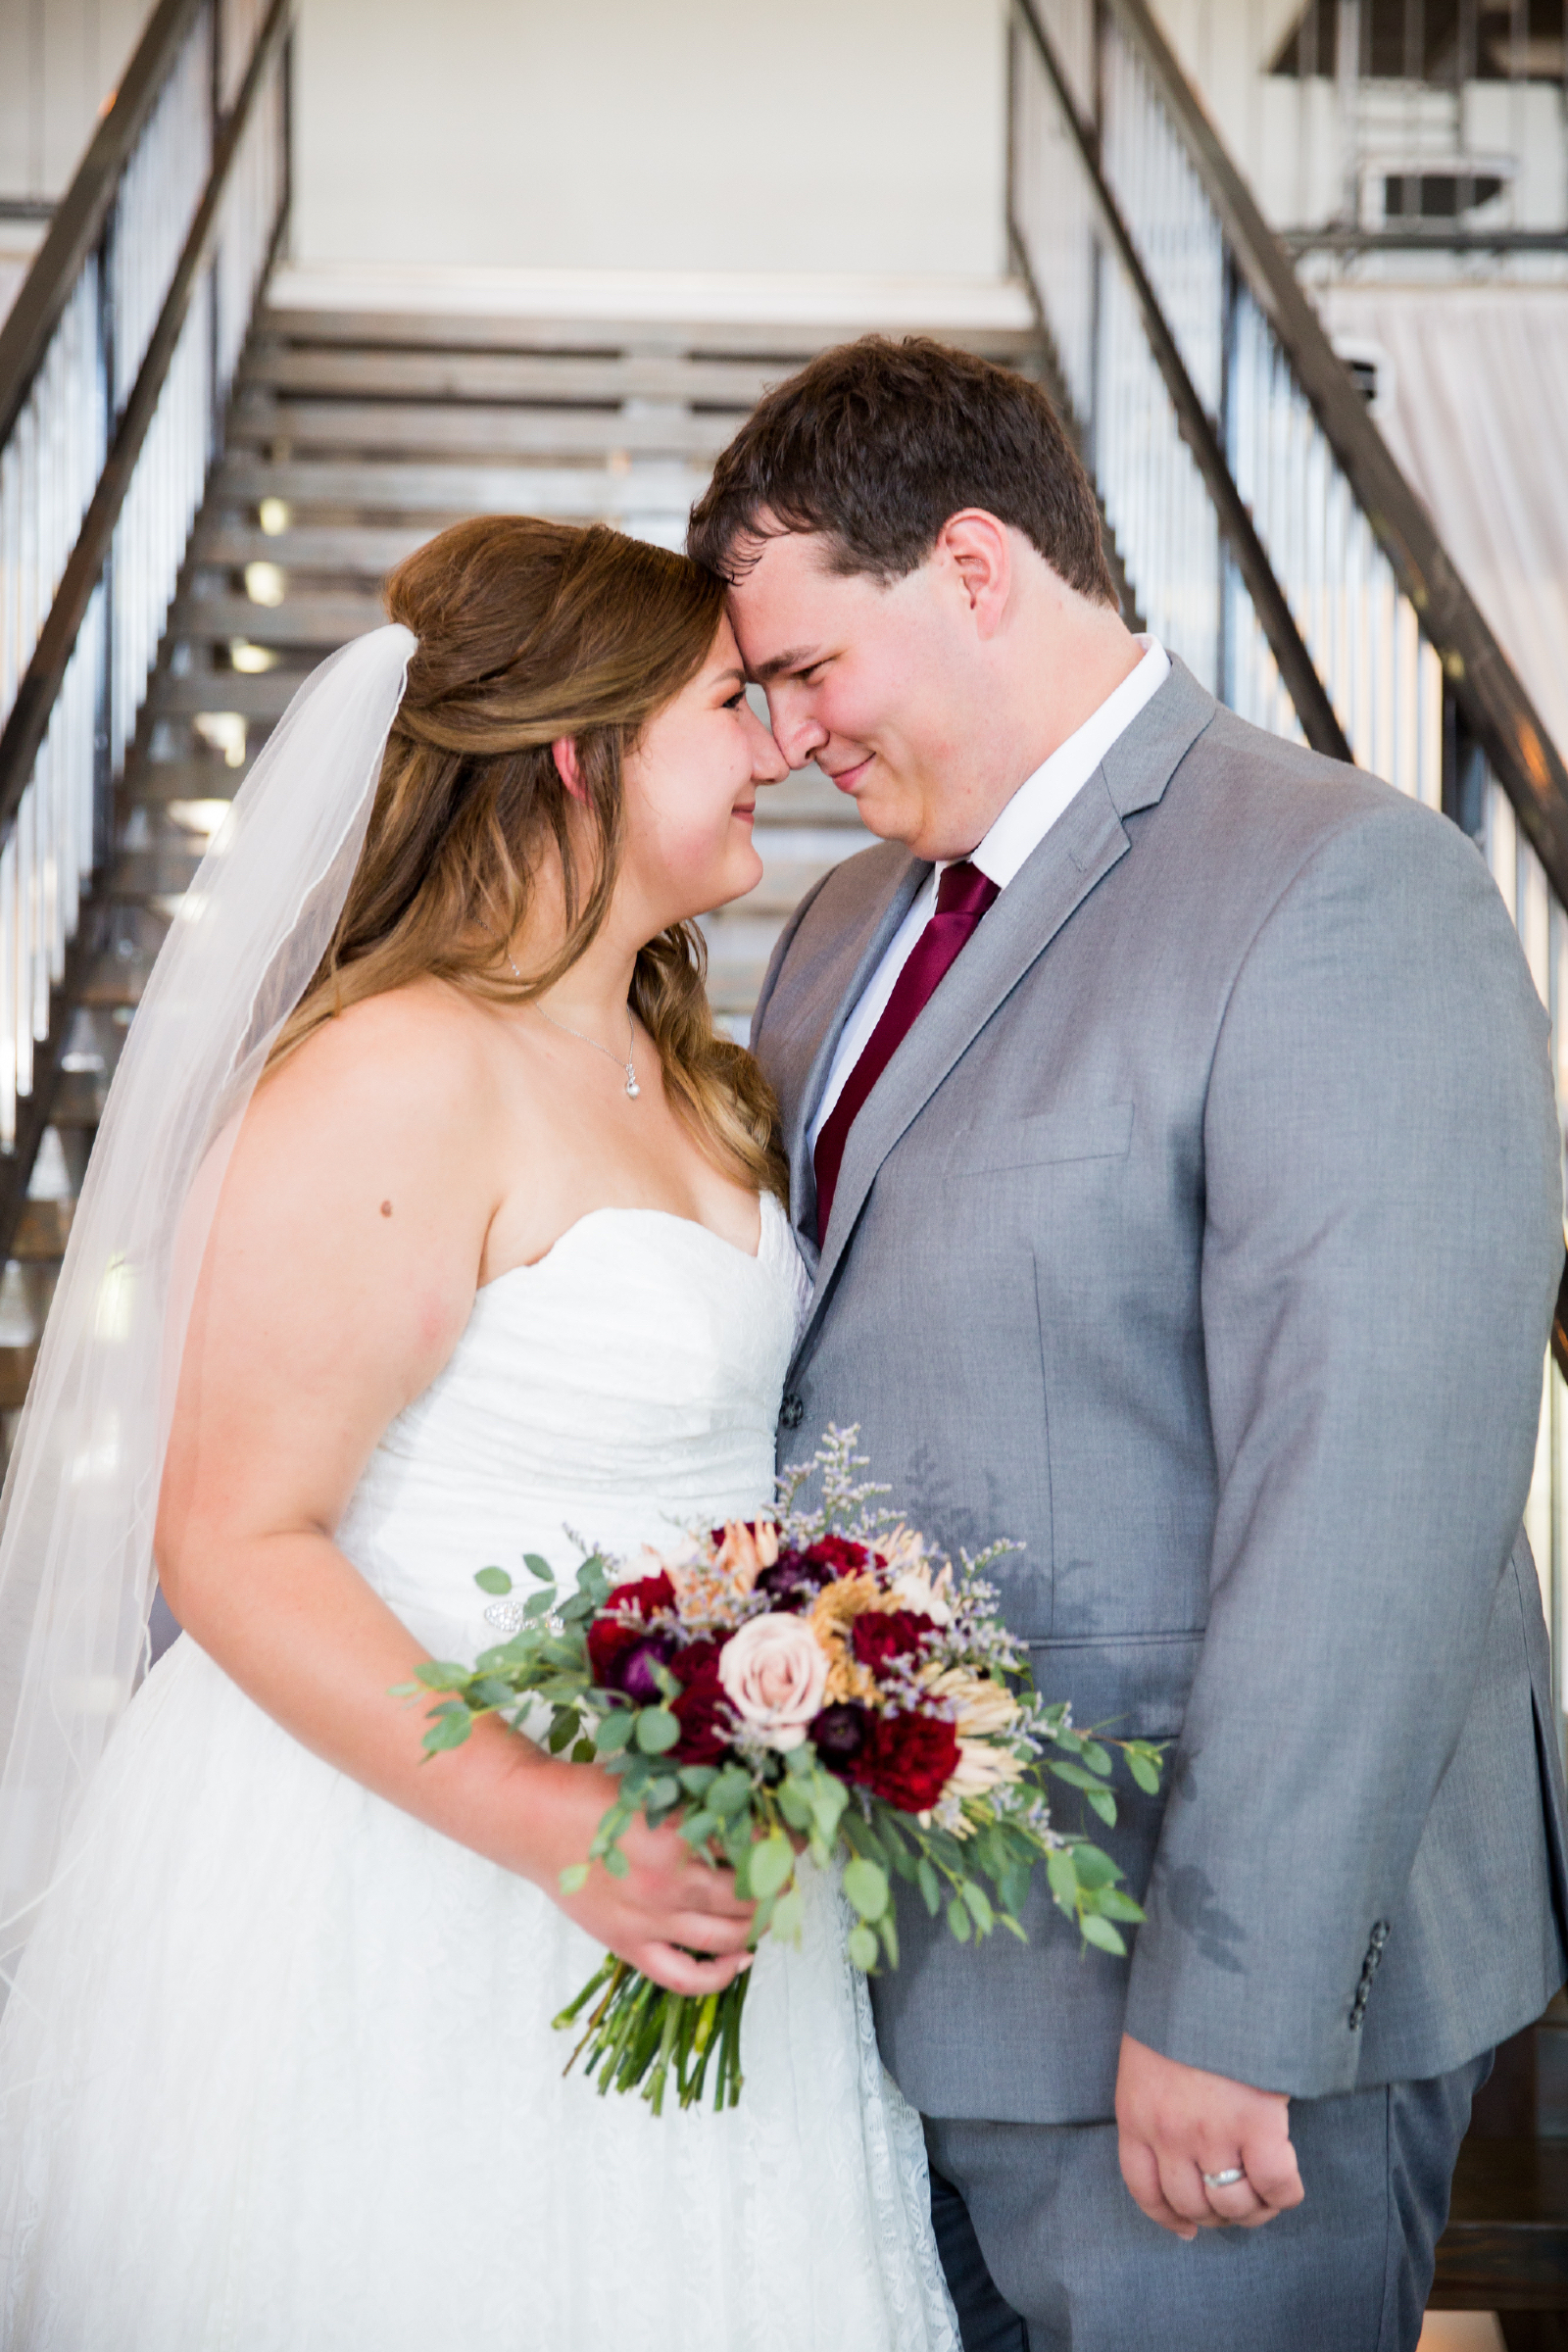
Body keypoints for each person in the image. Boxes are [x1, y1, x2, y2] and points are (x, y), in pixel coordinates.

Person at [690, 334, 1568, 2350]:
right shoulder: (836, 930)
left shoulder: (1340, 883)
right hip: (898, 1979)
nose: (788, 729)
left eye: (807, 665)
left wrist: (1229, 2004)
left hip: (1200, 2023)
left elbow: (1370, 1494)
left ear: (976, 566)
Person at [0, 516, 958, 2351]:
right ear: (582, 760)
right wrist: (553, 1825)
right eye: (725, 707)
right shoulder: (395, 1074)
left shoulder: (685, 1065)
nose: (778, 746)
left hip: (697, 1843)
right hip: (404, 1877)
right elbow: (228, 1535)